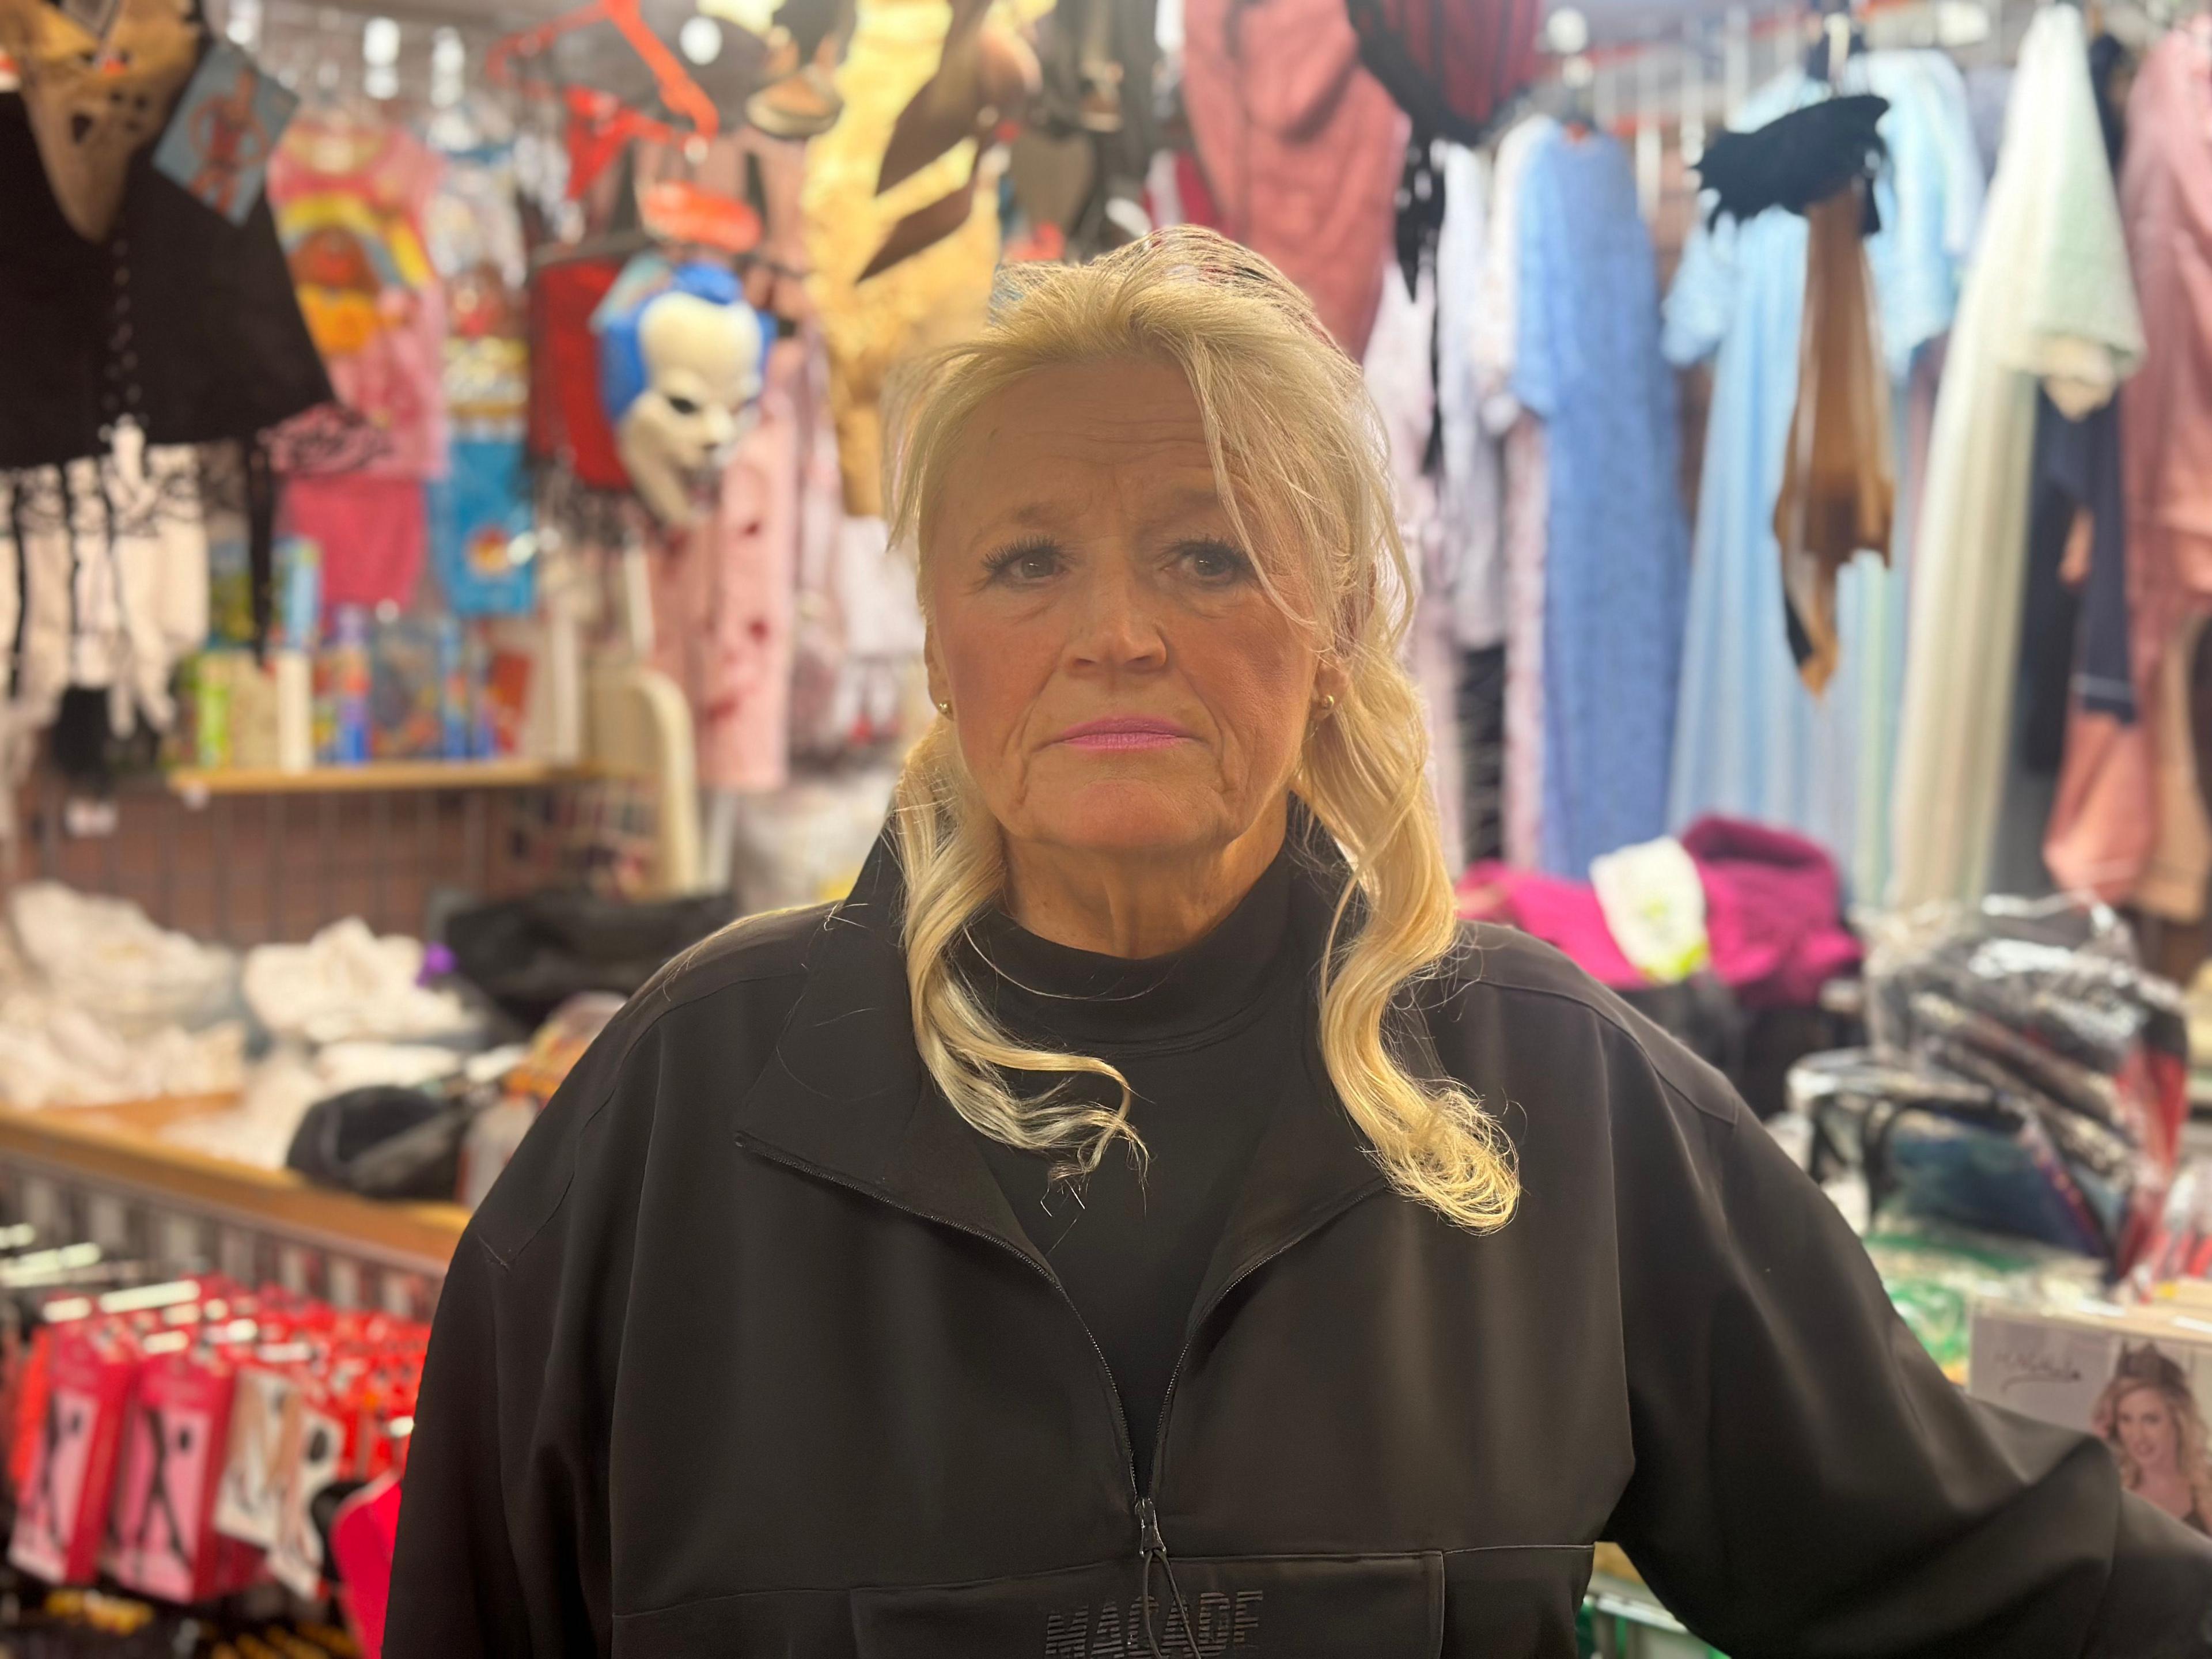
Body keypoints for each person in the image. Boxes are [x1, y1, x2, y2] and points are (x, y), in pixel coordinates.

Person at [385, 228, 2212, 1658]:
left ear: (1334, 618)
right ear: (939, 641)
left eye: (1205, 553)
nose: (1115, 632)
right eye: (1027, 562)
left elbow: (1984, 1573)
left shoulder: (1540, 1095)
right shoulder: (686, 1108)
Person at [2097, 1344, 2212, 1535]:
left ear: (2178, 1420)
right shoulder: (2112, 1490)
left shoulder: (2206, 1487)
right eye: (2126, 1419)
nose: (2137, 1435)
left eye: (2151, 1420)